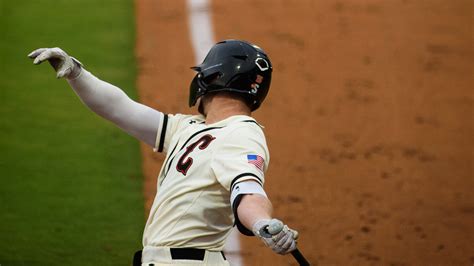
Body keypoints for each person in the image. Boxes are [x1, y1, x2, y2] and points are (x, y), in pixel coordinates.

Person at [29, 40, 299, 265]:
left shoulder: (242, 132)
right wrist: (77, 73)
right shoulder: (188, 127)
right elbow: (119, 108)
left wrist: (262, 223)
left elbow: (249, 191)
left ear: (213, 77)